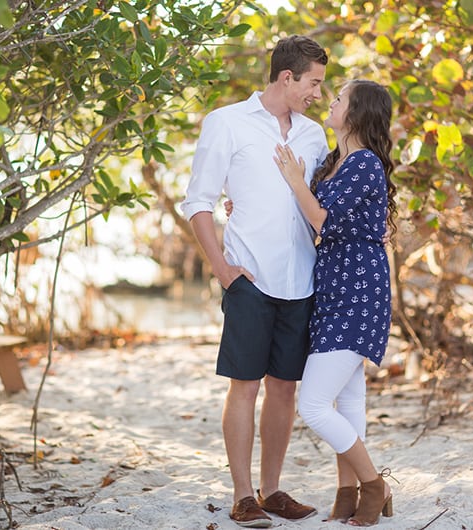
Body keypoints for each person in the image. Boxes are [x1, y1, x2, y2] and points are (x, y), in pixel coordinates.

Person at [180, 35, 330, 528]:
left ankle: (272, 490)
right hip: (250, 278)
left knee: (284, 389)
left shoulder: (313, 136)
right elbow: (199, 201)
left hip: (302, 280)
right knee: (243, 387)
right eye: (313, 83)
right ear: (287, 77)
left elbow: (320, 208)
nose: (317, 94)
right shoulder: (226, 123)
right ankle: (243, 496)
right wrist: (223, 270)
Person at [273, 79, 398, 527]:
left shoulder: (363, 163)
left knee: (313, 404)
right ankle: (347, 495)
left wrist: (292, 180)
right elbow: (316, 226)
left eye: (339, 97)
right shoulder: (336, 163)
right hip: (334, 288)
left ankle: (373, 484)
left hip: (357, 292)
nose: (330, 100)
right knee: (348, 403)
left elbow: (321, 218)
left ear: (357, 112)